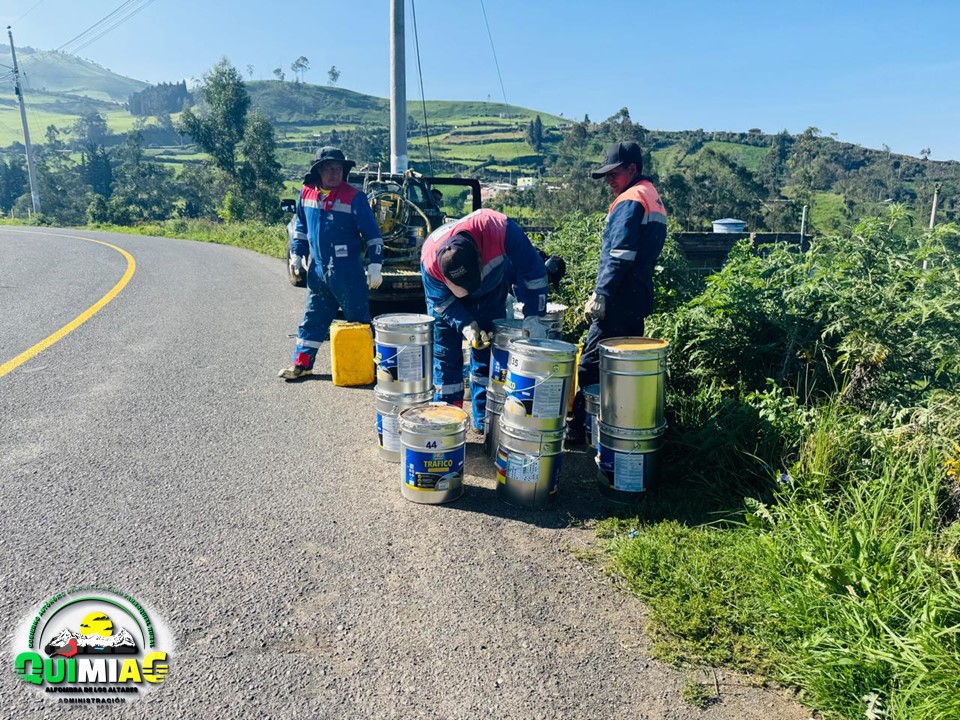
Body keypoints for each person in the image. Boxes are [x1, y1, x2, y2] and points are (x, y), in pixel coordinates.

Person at [568, 141, 667, 442]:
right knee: (623, 371)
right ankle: (616, 428)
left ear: (632, 169)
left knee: (592, 365)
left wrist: (601, 294)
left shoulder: (632, 198)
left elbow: (620, 254)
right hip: (637, 299)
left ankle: (580, 429)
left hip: (618, 301)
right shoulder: (653, 197)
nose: (610, 180)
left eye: (615, 173)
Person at [421, 208, 550, 430]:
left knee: (487, 359)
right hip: (449, 305)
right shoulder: (430, 260)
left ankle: (485, 421)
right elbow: (441, 303)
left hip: (490, 295)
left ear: (479, 258)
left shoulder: (500, 228)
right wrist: (466, 325)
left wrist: (534, 316)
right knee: (446, 360)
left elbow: (533, 270)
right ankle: (448, 424)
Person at [279, 147, 384, 380]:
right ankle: (302, 364)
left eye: (339, 168)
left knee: (359, 322)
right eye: (329, 168)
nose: (335, 173)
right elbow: (301, 229)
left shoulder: (355, 197)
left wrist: (375, 264)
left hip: (348, 273)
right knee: (312, 318)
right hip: (317, 271)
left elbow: (373, 234)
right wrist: (297, 254)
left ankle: (368, 367)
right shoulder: (305, 194)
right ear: (318, 171)